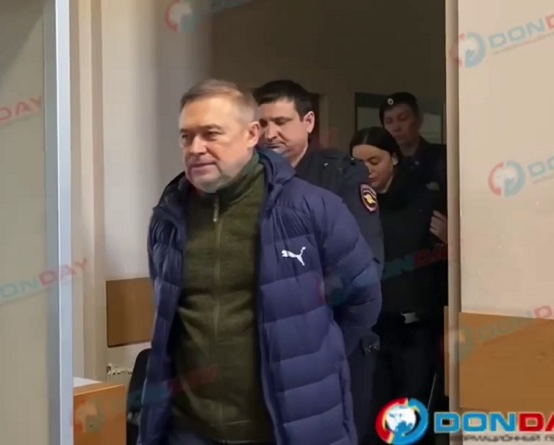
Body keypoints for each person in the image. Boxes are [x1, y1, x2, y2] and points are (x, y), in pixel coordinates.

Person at [140, 79, 382, 445]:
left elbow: (363, 299)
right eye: (186, 137)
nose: (196, 148)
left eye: (211, 134)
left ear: (252, 134)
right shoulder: (169, 217)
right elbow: (169, 315)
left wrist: (313, 358)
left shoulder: (312, 208)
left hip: (287, 429)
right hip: (189, 431)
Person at [254, 79, 383, 444]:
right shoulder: (250, 181)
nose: (270, 134)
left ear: (308, 122)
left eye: (281, 122)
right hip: (272, 353)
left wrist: (319, 336)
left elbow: (364, 272)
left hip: (337, 344)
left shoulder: (341, 175)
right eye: (263, 124)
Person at [349, 127, 447, 444]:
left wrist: (451, 244)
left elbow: (449, 265)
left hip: (416, 331)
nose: (366, 170)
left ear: (393, 158)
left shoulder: (425, 199)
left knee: (409, 425)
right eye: (358, 163)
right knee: (371, 421)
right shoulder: (352, 206)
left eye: (374, 161)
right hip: (371, 332)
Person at [379, 92, 447, 198]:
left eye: (403, 118)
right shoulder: (382, 163)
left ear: (418, 119)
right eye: (389, 122)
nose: (396, 127)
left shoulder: (442, 157)